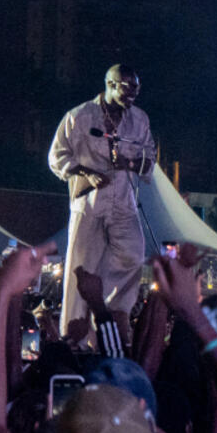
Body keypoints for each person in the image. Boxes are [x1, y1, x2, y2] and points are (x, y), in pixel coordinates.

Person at [49, 64, 154, 347]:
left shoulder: (140, 119)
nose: (133, 94)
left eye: (137, 89)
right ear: (111, 84)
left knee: (133, 253)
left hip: (124, 202)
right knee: (81, 268)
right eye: (127, 88)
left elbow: (150, 161)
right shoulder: (79, 116)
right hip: (89, 204)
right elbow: (56, 157)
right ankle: (75, 339)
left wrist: (130, 163)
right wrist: (86, 173)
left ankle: (113, 319)